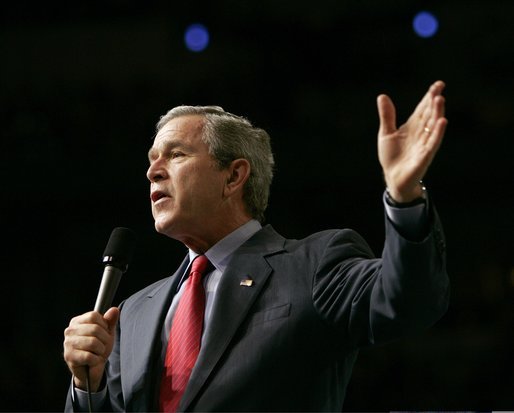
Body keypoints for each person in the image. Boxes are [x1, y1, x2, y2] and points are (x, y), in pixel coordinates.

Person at [63, 80, 450, 412]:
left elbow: (409, 301)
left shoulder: (314, 264)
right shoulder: (130, 314)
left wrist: (404, 197)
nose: (153, 170)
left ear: (234, 176)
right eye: (152, 159)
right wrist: (88, 388)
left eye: (176, 154)